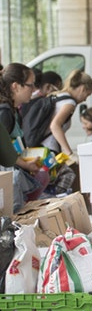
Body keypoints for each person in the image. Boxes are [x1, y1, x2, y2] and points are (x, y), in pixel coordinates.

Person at [0, 63, 48, 211]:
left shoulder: (13, 111)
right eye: (30, 85)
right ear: (15, 86)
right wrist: (25, 165)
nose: (33, 90)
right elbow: (4, 152)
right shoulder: (4, 113)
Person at [41, 69, 92, 156]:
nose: (85, 99)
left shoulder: (58, 96)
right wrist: (69, 152)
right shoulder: (69, 103)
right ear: (82, 89)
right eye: (87, 95)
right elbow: (55, 126)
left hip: (42, 146)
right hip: (49, 148)